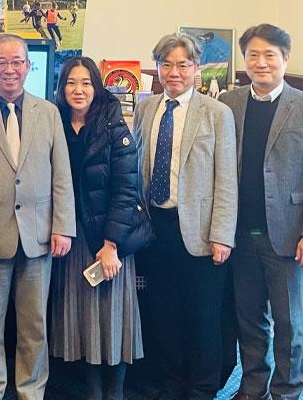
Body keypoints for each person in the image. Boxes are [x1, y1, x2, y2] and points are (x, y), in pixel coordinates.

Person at [0, 33, 75, 399]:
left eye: (16, 62)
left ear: (27, 65)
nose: (9, 69)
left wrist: (63, 227)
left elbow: (62, 177)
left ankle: (30, 391)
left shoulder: (49, 113)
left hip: (39, 237)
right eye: (1, 62)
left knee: (34, 326)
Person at [132, 33, 238, 399]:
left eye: (182, 64)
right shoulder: (146, 108)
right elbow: (137, 169)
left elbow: (227, 178)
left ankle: (202, 387)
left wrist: (222, 234)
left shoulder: (217, 112)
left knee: (204, 316)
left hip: (201, 231)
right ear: (158, 67)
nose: (173, 72)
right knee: (163, 311)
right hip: (155, 228)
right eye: (166, 64)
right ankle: (172, 380)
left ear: (196, 68)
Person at [50, 57, 149, 400]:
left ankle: (115, 393)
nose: (79, 90)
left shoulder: (114, 127)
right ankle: (92, 392)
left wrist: (111, 244)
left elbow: (127, 190)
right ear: (62, 89)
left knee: (112, 319)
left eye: (86, 82)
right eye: (71, 83)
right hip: (71, 237)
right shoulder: (54, 123)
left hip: (109, 239)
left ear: (97, 87)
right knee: (82, 320)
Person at [219, 24, 303, 400]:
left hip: (286, 233)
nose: (261, 62)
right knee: (249, 319)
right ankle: (253, 387)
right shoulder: (228, 102)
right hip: (239, 231)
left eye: (270, 54)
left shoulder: (300, 106)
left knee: (289, 324)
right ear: (244, 60)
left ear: (285, 59)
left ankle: (287, 391)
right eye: (253, 54)